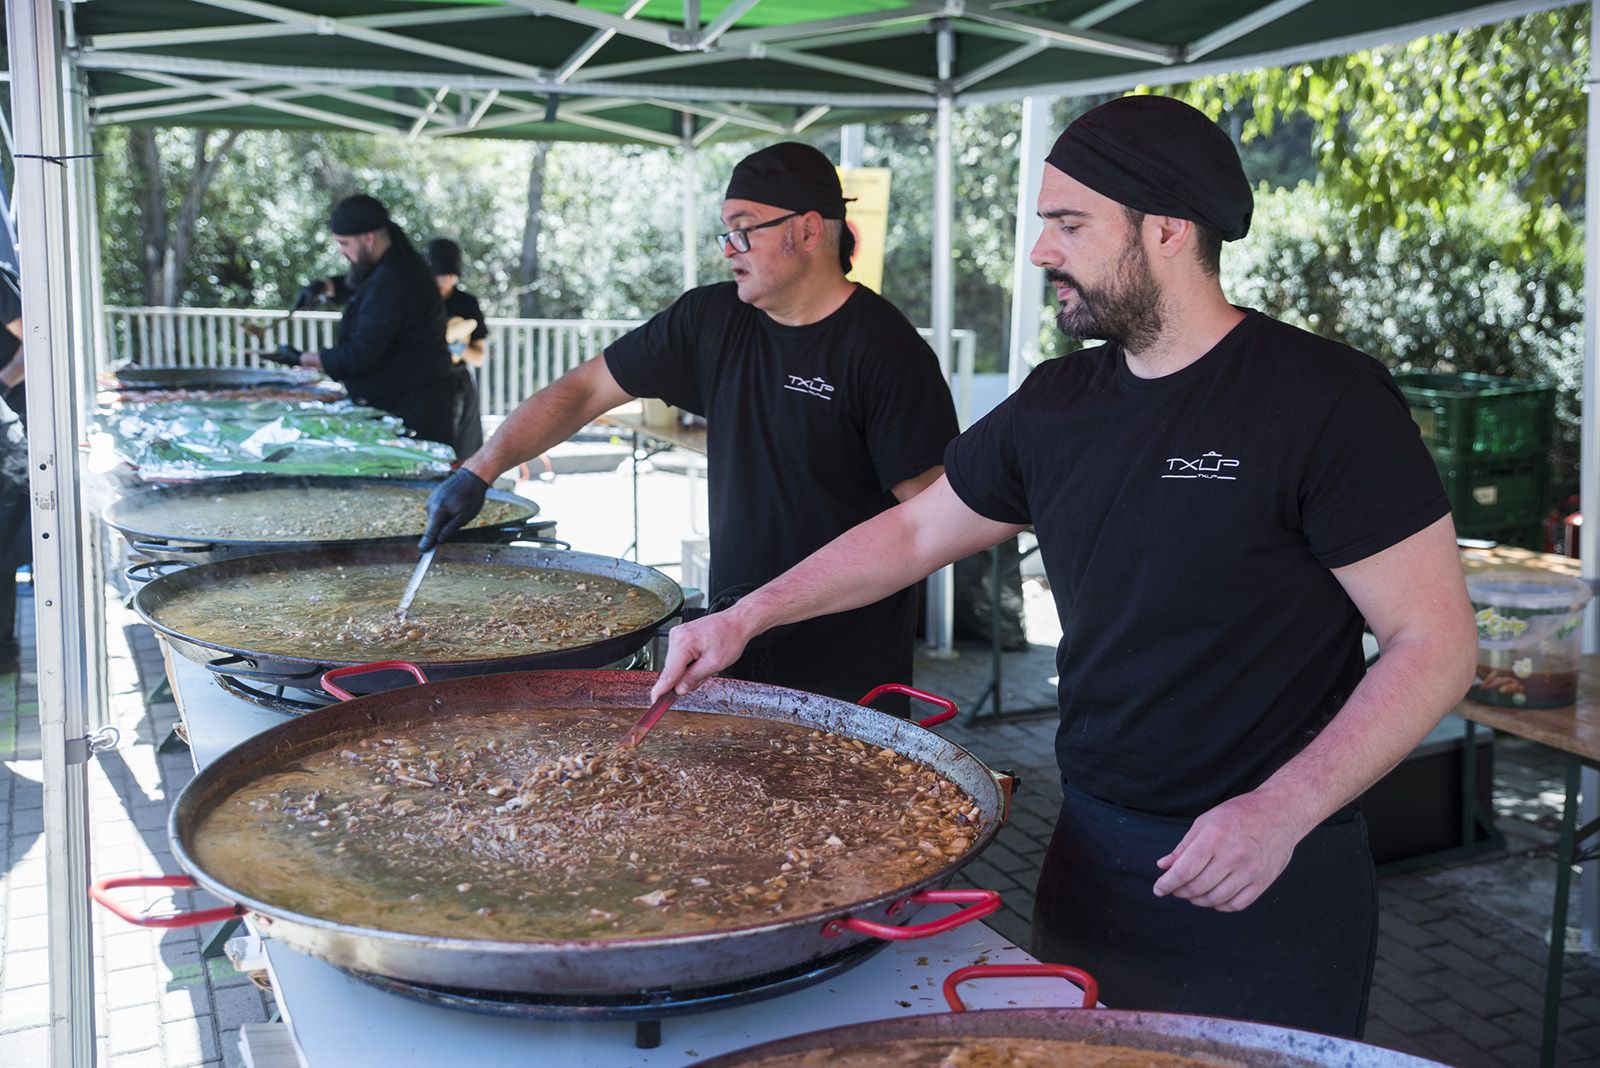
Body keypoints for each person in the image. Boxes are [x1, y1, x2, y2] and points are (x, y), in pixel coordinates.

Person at [651, 96, 1477, 1037]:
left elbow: (1435, 642)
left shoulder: (1324, 401)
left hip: (1269, 866)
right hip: (1088, 847)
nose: (1042, 251)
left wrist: (1282, 809)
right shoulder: (1060, 403)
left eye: (1069, 224)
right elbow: (917, 533)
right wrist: (743, 617)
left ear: (1167, 228)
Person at [422, 142, 959, 705]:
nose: (729, 249)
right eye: (724, 232)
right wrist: (480, 470)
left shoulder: (886, 350)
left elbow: (928, 520)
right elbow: (583, 391)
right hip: (729, 643)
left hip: (847, 669)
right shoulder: (711, 319)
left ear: (806, 231)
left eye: (744, 229)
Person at [265, 195, 461, 454]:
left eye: (344, 243)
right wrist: (322, 287)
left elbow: (360, 355)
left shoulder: (397, 279)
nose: (341, 251)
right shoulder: (392, 262)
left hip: (414, 405)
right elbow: (360, 284)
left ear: (369, 239)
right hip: (402, 397)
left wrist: (301, 358)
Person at [425, 238, 486, 459]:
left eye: (449, 275)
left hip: (457, 383)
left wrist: (457, 348)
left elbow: (479, 357)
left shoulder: (466, 303)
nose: (444, 281)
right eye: (438, 275)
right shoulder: (415, 301)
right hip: (422, 382)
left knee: (463, 452)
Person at [0, 264, 29, 659]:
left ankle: (4, 651)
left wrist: (1, 383)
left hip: (7, 436)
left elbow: (36, 340)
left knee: (2, 548)